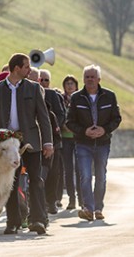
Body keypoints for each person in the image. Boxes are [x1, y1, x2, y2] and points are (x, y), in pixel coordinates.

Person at [0, 53, 53, 235]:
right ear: (16, 68)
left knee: (36, 181)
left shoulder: (34, 88)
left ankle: (37, 220)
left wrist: (48, 142)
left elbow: (43, 118)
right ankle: (13, 222)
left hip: (31, 142)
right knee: (11, 184)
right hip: (8, 145)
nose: (29, 70)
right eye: (26, 67)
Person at [66, 65, 122, 221]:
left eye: (92, 77)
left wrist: (104, 130)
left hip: (103, 143)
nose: (89, 80)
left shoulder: (110, 96)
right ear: (83, 79)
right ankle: (88, 209)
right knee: (85, 176)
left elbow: (116, 119)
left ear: (99, 79)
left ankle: (98, 208)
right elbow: (69, 122)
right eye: (87, 77)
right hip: (83, 143)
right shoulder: (76, 98)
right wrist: (84, 131)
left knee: (101, 177)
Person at [39, 69, 66, 214]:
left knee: (53, 173)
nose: (43, 83)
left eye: (46, 80)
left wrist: (53, 130)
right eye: (40, 80)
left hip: (54, 141)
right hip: (37, 142)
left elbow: (61, 114)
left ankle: (51, 201)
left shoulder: (52, 95)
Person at [60, 75, 81, 209]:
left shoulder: (80, 99)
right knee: (68, 170)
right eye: (67, 83)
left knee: (80, 169)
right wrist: (64, 125)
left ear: (76, 85)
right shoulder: (60, 99)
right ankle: (71, 199)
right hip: (65, 138)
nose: (69, 86)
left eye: (72, 83)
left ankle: (82, 198)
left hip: (78, 138)